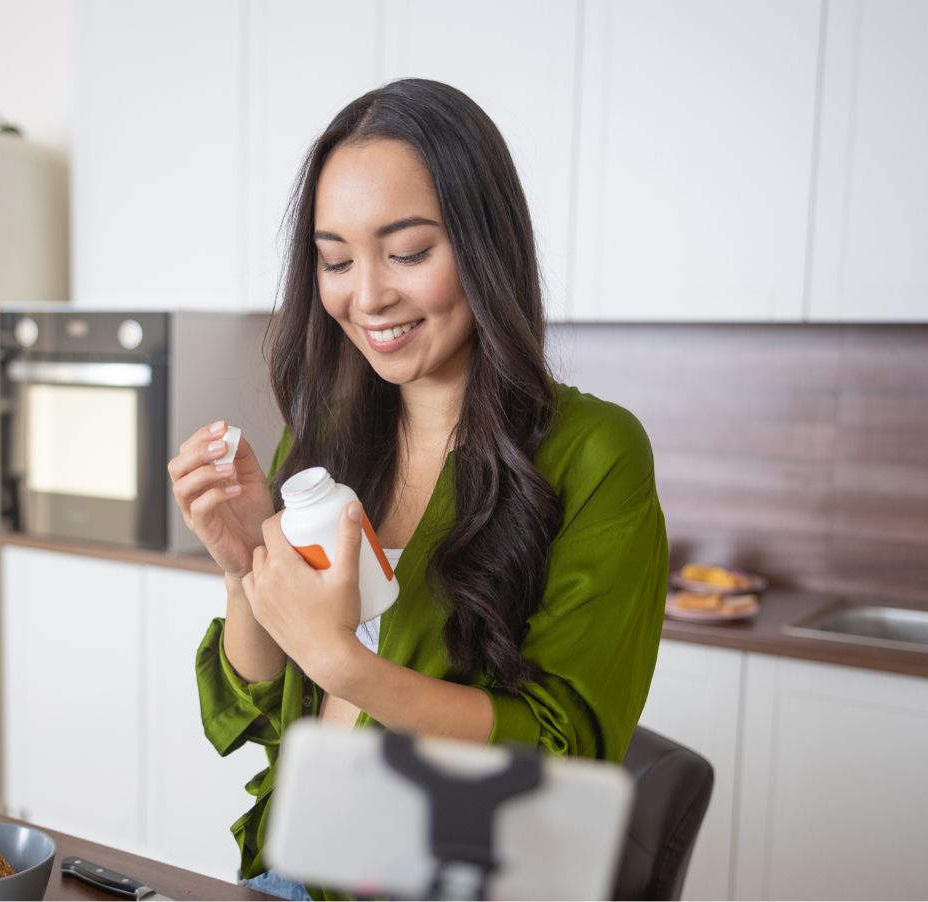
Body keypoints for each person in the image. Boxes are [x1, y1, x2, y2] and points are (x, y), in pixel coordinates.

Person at [167, 79, 668, 901]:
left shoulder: (594, 453)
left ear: (484, 243)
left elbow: (563, 751)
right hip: (289, 866)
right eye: (335, 260)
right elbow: (257, 704)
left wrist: (342, 659)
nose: (366, 296)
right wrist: (243, 566)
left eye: (406, 252)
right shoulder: (326, 436)